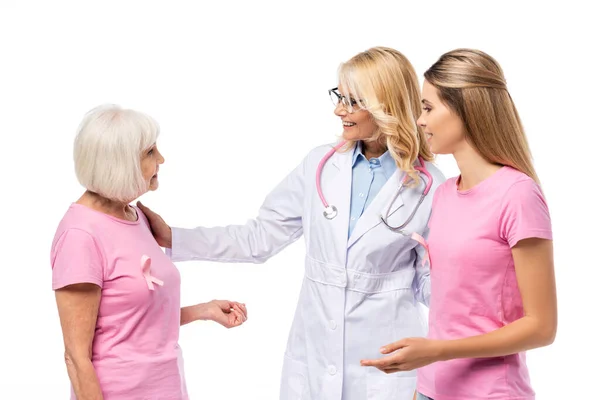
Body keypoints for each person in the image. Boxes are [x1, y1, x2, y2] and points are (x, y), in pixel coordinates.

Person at [138, 47, 445, 400]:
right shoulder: (320, 165)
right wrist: (174, 237)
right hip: (314, 358)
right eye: (339, 96)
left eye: (352, 101)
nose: (338, 109)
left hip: (387, 364)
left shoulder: (430, 187)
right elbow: (259, 238)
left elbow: (432, 283)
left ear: (385, 106)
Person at [360, 49, 557, 400]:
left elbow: (541, 328)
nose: (419, 121)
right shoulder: (445, 194)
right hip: (430, 390)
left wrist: (437, 351)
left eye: (428, 108)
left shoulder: (518, 195)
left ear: (466, 109)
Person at [51, 105, 248, 400]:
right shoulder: (80, 235)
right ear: (119, 163)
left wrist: (204, 310)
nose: (162, 159)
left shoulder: (135, 215)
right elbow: (76, 359)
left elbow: (135, 322)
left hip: (167, 387)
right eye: (150, 152)